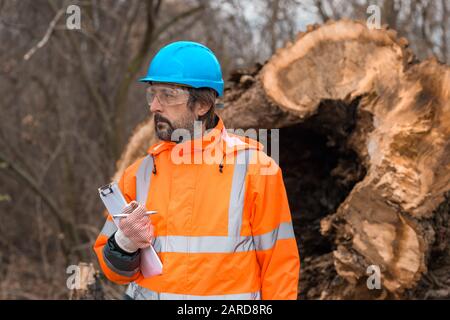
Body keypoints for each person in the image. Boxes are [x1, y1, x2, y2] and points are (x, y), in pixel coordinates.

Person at [93, 41, 300, 300]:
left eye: (168, 95)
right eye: (152, 94)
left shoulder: (256, 171)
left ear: (202, 105)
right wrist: (124, 244)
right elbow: (113, 272)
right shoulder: (139, 174)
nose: (154, 106)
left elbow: (279, 269)